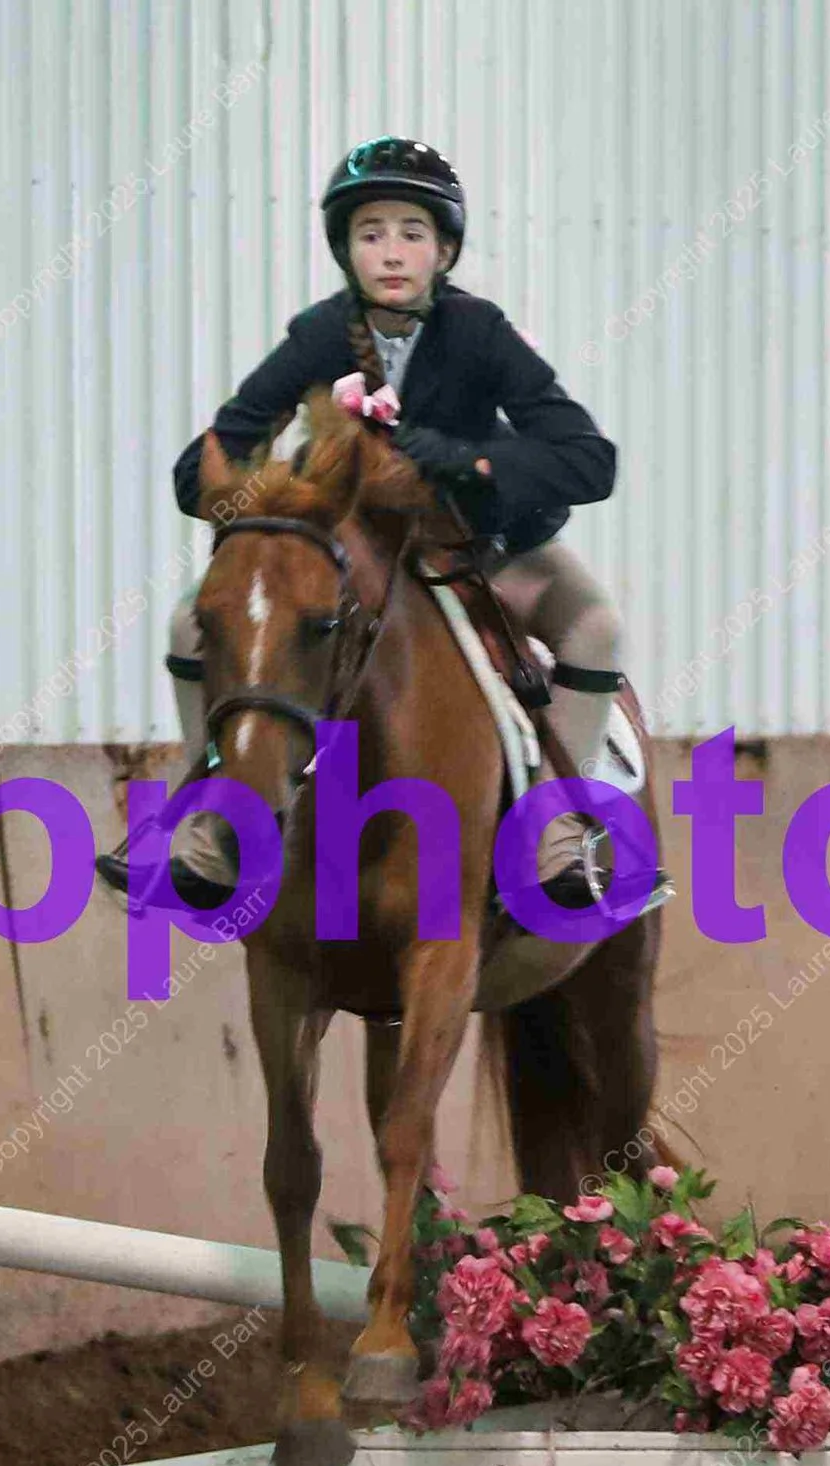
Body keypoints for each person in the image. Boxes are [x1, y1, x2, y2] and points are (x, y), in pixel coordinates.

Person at [96, 135, 655, 917]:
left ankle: (557, 828)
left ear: (444, 251)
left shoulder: (479, 332)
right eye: (370, 233)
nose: (391, 252)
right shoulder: (320, 335)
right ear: (346, 250)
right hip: (353, 554)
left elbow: (588, 460)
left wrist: (467, 460)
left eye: (411, 233)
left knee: (596, 625)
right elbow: (206, 463)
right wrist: (273, 485)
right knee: (189, 622)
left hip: (476, 546)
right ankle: (210, 822)